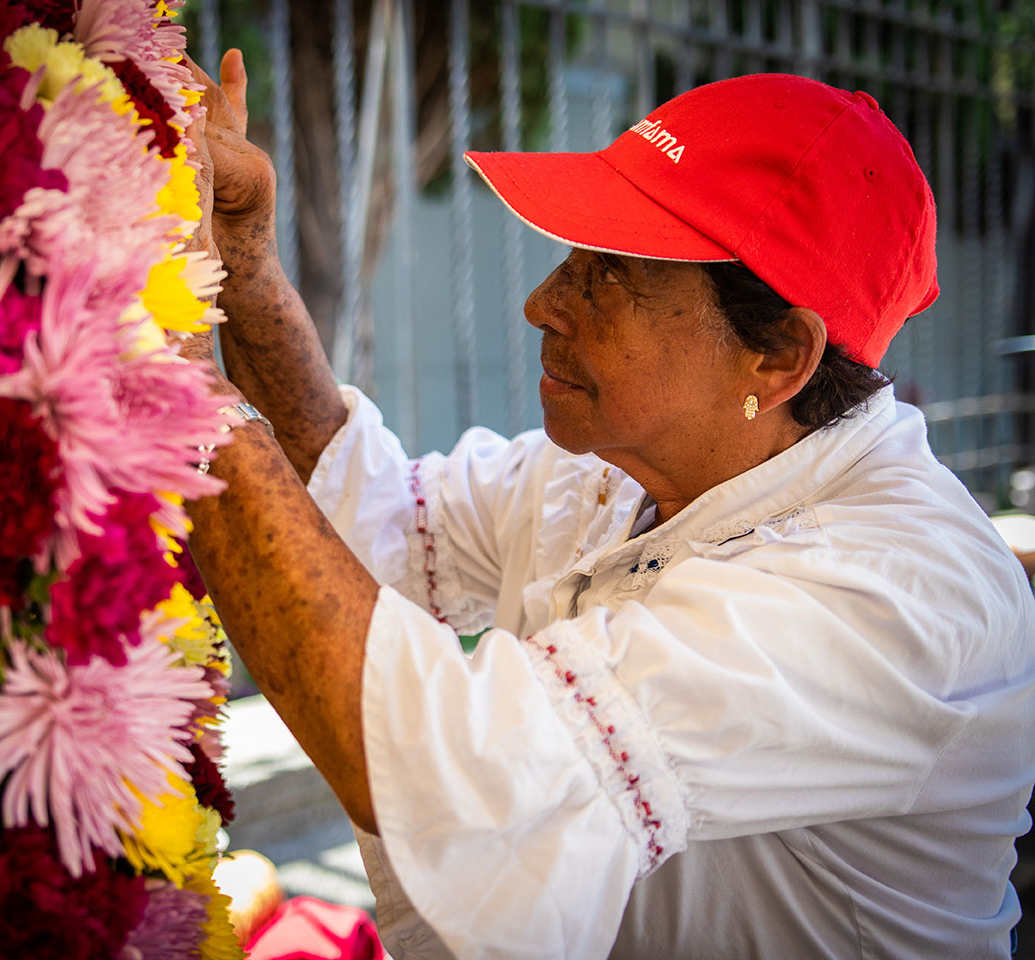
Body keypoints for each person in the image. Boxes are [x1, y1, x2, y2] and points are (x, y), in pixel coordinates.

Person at [181, 50, 1035, 959]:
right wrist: (241, 264)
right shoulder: (627, 466)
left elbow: (466, 775)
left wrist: (178, 374)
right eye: (573, 258)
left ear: (778, 356)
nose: (543, 301)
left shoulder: (897, 599)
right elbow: (379, 512)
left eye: (611, 276)